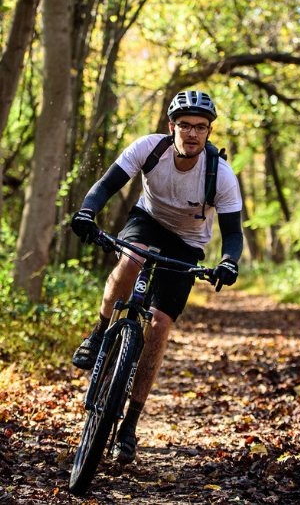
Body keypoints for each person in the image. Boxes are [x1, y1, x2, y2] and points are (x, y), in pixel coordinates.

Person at [69, 90, 243, 464]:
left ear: (209, 132)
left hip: (188, 243)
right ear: (172, 127)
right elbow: (104, 187)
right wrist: (87, 212)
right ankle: (99, 333)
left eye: (200, 127)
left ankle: (130, 422)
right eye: (185, 125)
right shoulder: (150, 149)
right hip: (147, 221)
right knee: (132, 259)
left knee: (161, 323)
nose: (192, 133)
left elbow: (233, 233)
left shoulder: (221, 175)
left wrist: (229, 261)